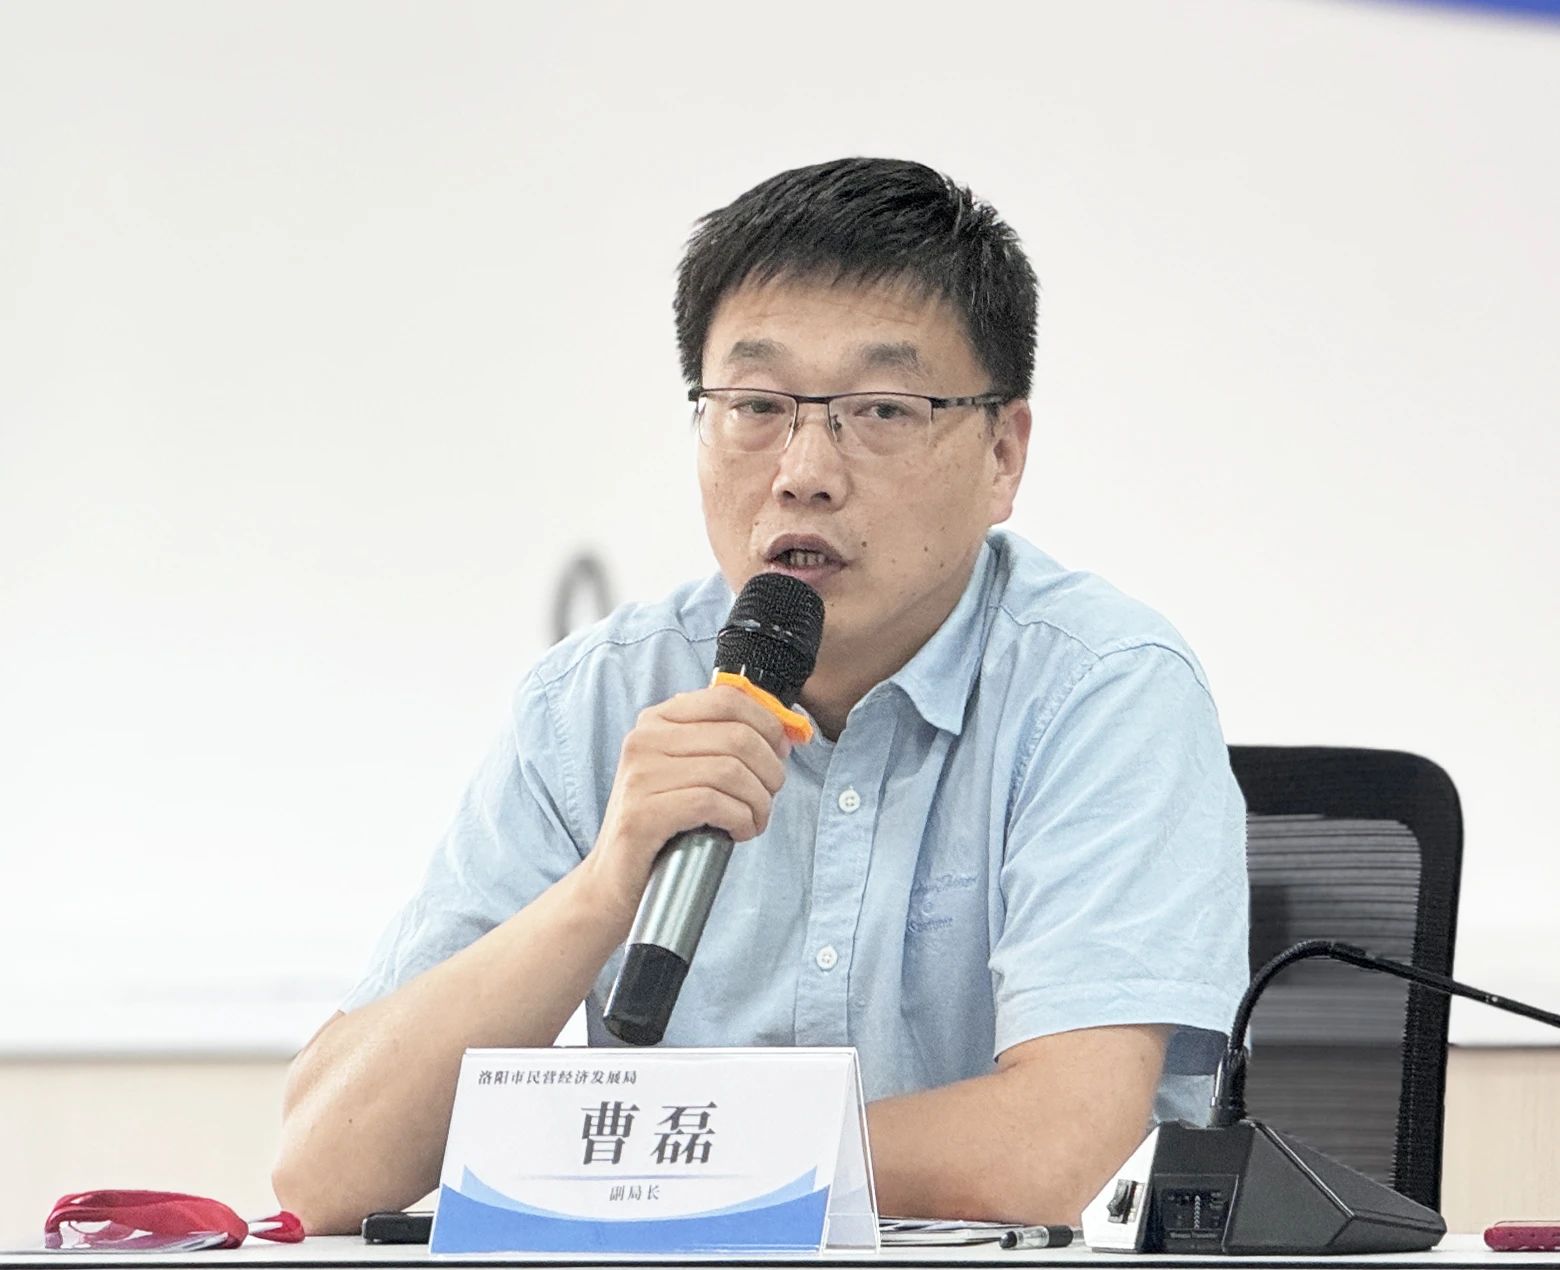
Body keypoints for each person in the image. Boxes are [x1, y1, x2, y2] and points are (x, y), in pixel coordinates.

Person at [272, 157, 1249, 1234]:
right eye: (756, 406)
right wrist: (606, 885)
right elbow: (325, 1168)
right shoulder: (595, 699)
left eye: (882, 409)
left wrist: (637, 1164)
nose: (804, 471)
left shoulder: (1102, 690)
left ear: (1003, 454)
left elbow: (1058, 1152)